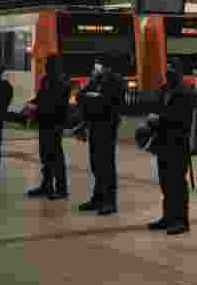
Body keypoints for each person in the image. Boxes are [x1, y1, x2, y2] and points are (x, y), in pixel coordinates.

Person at [148, 62, 196, 235]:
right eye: (167, 69)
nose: (168, 73)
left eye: (172, 70)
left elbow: (181, 119)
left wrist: (159, 120)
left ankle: (181, 221)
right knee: (165, 183)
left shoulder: (185, 92)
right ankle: (168, 217)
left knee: (177, 184)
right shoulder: (163, 90)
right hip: (163, 143)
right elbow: (157, 108)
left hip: (178, 144)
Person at [78, 56, 126, 216]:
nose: (96, 68)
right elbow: (80, 96)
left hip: (107, 127)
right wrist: (94, 98)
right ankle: (97, 198)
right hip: (94, 126)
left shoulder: (116, 81)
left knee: (107, 165)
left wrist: (93, 99)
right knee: (95, 164)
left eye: (99, 66)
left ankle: (110, 202)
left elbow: (108, 103)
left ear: (107, 67)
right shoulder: (95, 80)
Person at [27, 56, 72, 199]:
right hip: (44, 122)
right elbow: (41, 97)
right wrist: (31, 103)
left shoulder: (62, 82)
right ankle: (46, 185)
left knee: (56, 157)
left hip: (55, 123)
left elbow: (56, 103)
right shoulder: (45, 80)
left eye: (49, 65)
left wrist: (38, 106)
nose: (46, 67)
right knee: (45, 155)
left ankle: (61, 189)